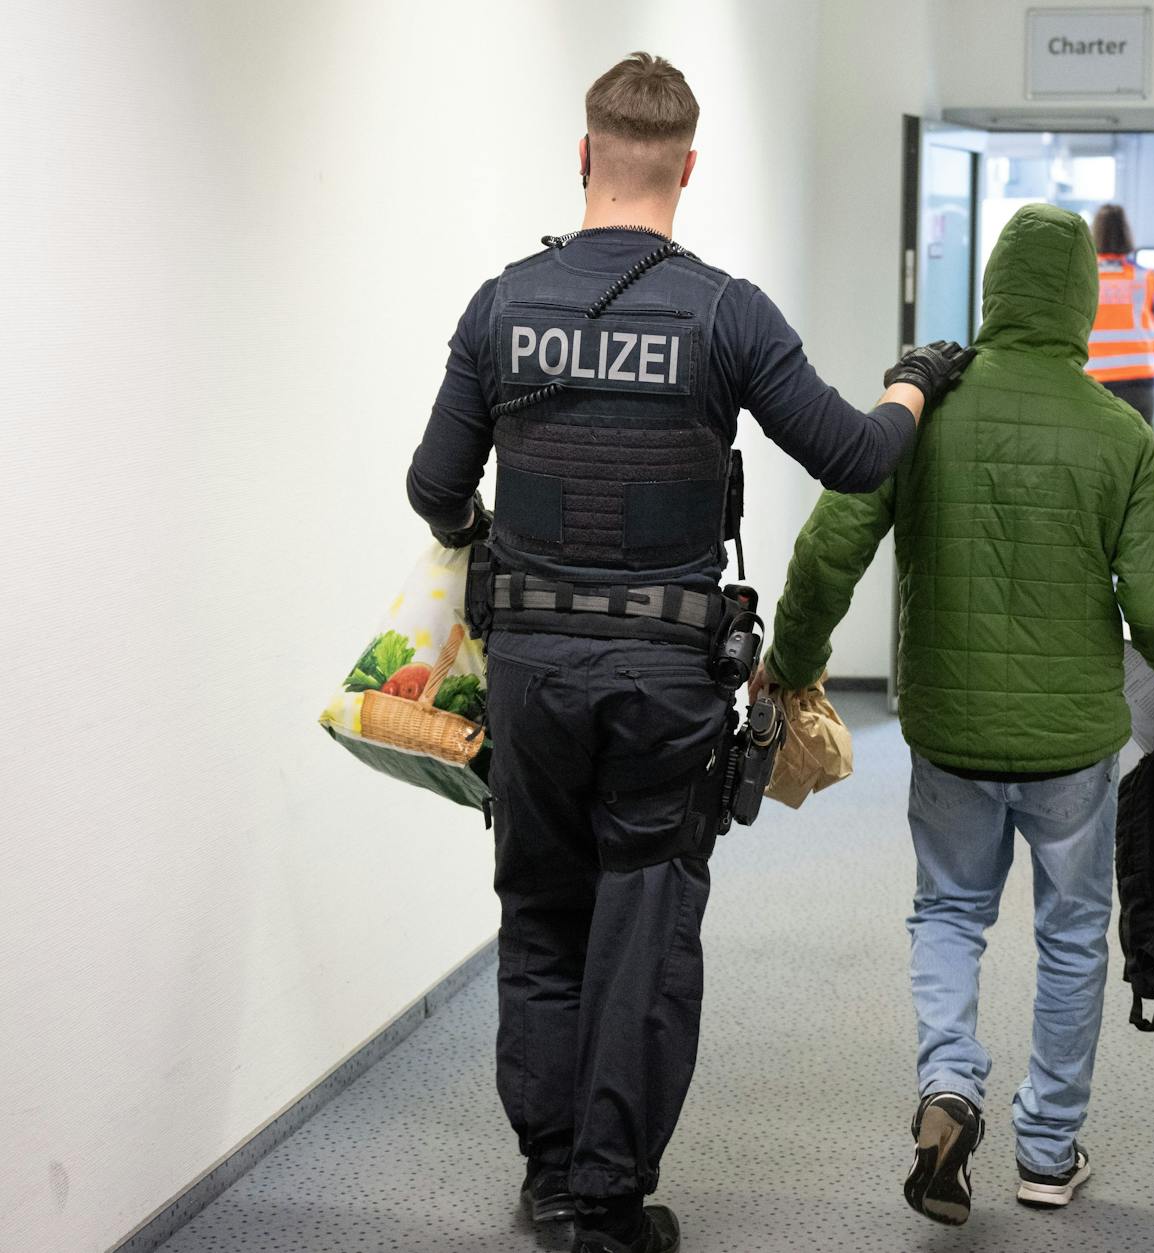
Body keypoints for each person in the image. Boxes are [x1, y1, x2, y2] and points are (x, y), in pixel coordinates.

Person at [404, 53, 971, 1253]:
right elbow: (855, 456)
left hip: (533, 677)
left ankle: (552, 1174)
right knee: (643, 929)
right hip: (665, 684)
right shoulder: (724, 311)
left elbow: (433, 486)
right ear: (689, 169)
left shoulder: (502, 304)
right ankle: (610, 1199)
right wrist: (911, 385)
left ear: (583, 155)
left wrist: (477, 543)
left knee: (540, 913)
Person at [753, 203, 1154, 1227]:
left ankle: (949, 1086)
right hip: (1070, 750)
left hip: (948, 732)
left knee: (951, 912)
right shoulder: (1117, 433)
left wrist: (790, 660)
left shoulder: (922, 416)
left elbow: (831, 545)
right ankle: (1047, 1149)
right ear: (1083, 304)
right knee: (1072, 934)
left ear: (991, 293)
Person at [1085, 203, 1154, 424]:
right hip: (1140, 382)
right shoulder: (1145, 278)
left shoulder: (1083, 278)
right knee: (1143, 455)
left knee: (1098, 455)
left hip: (1094, 382)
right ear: (1127, 233)